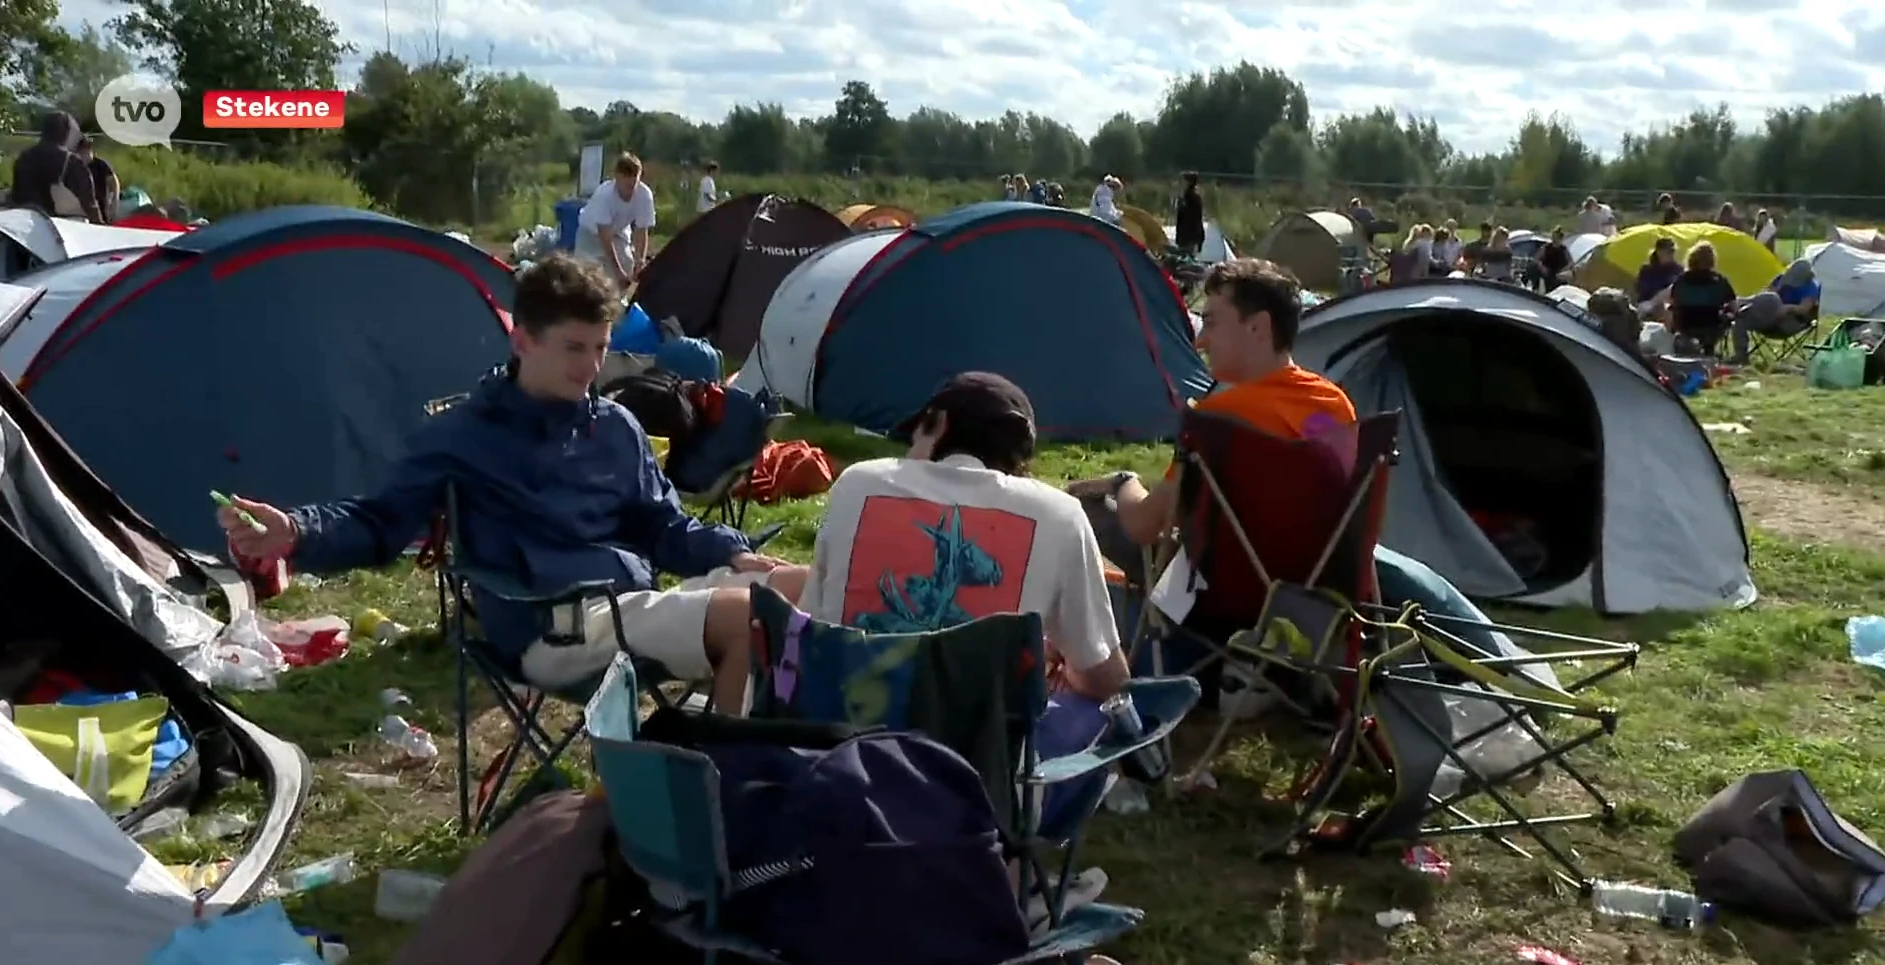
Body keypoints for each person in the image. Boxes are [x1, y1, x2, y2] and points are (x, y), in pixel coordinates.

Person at [214, 255, 804, 713]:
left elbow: (663, 526)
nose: (590, 366)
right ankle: (731, 798)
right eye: (573, 347)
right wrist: (296, 531)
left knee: (797, 584)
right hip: (551, 624)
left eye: (600, 348)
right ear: (522, 340)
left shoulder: (615, 426)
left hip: (627, 603)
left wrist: (730, 551)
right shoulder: (463, 434)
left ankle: (789, 753)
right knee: (746, 618)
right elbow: (380, 522)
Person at [801, 372, 1129, 701]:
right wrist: (1062, 668)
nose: (908, 457)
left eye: (913, 441)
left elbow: (811, 628)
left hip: (840, 737)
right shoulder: (1059, 514)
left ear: (937, 424)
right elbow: (1107, 680)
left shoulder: (857, 483)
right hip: (976, 749)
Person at [1078, 258, 1356, 549]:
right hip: (1320, 585)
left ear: (1257, 327)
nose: (1200, 342)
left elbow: (1143, 525)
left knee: (1084, 508)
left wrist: (1122, 482)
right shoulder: (1336, 404)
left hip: (1233, 590)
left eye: (1210, 323)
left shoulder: (1218, 421)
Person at [576, 152, 657, 290]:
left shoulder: (644, 196)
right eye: (626, 176)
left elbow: (641, 230)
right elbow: (604, 236)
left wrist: (640, 262)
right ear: (617, 177)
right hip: (590, 232)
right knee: (587, 276)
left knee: (627, 263)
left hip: (618, 230)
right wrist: (617, 271)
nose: (631, 181)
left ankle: (617, 305)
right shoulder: (604, 195)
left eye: (634, 176)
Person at [9, 112, 102, 222]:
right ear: (66, 133)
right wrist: (100, 226)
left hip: (25, 221)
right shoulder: (71, 161)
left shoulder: (23, 157)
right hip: (59, 227)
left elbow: (16, 195)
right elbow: (89, 204)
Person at [1731, 258, 1820, 365]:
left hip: (1789, 321)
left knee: (1771, 299)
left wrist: (1788, 308)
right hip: (1768, 314)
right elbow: (1766, 297)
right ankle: (1741, 356)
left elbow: (1804, 309)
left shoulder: (1810, 286)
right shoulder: (1782, 278)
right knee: (1741, 317)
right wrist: (1779, 287)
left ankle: (1742, 301)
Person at [1667, 241, 1736, 356]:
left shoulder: (1681, 281)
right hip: (1713, 327)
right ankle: (1709, 350)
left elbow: (1673, 301)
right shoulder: (1719, 281)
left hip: (1686, 326)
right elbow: (1733, 305)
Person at [1634, 236, 1682, 317]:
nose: (1672, 254)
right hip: (1648, 304)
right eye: (1669, 251)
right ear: (1659, 252)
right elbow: (1643, 290)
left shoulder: (1678, 269)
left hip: (1671, 304)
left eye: (1673, 251)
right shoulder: (1647, 270)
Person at [75, 136, 117, 224]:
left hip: (101, 206)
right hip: (83, 208)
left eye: (86, 150)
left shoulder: (101, 165)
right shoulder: (76, 166)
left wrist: (114, 203)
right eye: (81, 151)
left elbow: (114, 183)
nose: (83, 154)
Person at [1175, 172, 1205, 256]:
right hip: (1187, 237)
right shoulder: (1188, 197)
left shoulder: (1192, 197)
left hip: (1189, 237)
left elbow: (1195, 218)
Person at [1536, 226, 1573, 291]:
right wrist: (1542, 268)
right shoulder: (1546, 247)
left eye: (1555, 237)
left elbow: (1570, 262)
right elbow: (1538, 259)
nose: (1553, 238)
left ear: (1560, 238)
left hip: (1559, 274)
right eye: (1553, 236)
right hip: (1548, 273)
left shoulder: (1563, 249)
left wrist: (1563, 270)